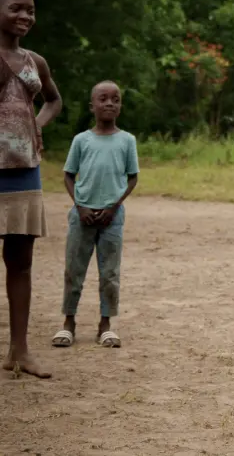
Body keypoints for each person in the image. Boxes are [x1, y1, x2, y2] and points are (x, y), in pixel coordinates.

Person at [0, 0, 63, 379]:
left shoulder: (35, 61)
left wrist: (36, 125)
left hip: (24, 169)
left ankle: (19, 350)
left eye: (31, 11)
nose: (25, 17)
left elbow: (54, 100)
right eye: (15, 9)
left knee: (20, 262)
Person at [52, 80, 138, 349]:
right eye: (103, 99)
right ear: (92, 106)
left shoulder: (127, 140)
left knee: (110, 272)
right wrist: (80, 206)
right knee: (74, 270)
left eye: (115, 99)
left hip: (112, 218)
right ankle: (69, 323)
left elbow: (132, 178)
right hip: (82, 215)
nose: (109, 103)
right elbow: (68, 175)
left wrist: (113, 206)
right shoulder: (81, 140)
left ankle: (106, 324)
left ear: (120, 106)